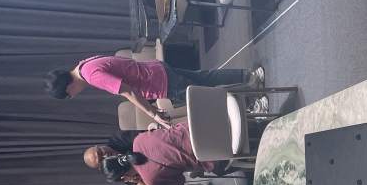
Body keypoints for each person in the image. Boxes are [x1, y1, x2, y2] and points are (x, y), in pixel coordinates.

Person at [45, 56, 265, 125]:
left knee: (206, 100)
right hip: (157, 70)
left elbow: (128, 91)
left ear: (68, 87)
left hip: (159, 83)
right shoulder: (85, 64)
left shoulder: (91, 75)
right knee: (205, 78)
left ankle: (253, 105)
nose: (74, 95)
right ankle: (250, 76)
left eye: (70, 95)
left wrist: (152, 114)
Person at [101, 121, 221, 185]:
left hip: (212, 151)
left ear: (125, 177)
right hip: (201, 123)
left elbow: (180, 180)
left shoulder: (150, 180)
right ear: (119, 155)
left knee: (219, 170)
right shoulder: (138, 140)